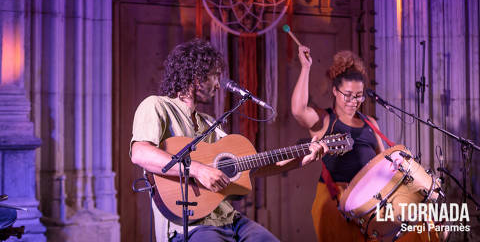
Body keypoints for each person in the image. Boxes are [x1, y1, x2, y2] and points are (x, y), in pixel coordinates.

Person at [130, 39, 326, 242]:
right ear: (197, 77)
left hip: (229, 219)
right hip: (190, 225)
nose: (218, 84)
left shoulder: (209, 122)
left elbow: (252, 166)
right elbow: (140, 153)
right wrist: (198, 170)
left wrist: (300, 159)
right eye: (215, 76)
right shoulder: (157, 106)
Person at [291, 46, 384, 241]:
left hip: (368, 205)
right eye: (347, 95)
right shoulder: (325, 120)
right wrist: (305, 67)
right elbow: (299, 111)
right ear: (335, 90)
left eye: (359, 96)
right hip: (335, 204)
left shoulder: (370, 123)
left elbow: (383, 164)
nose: (354, 101)